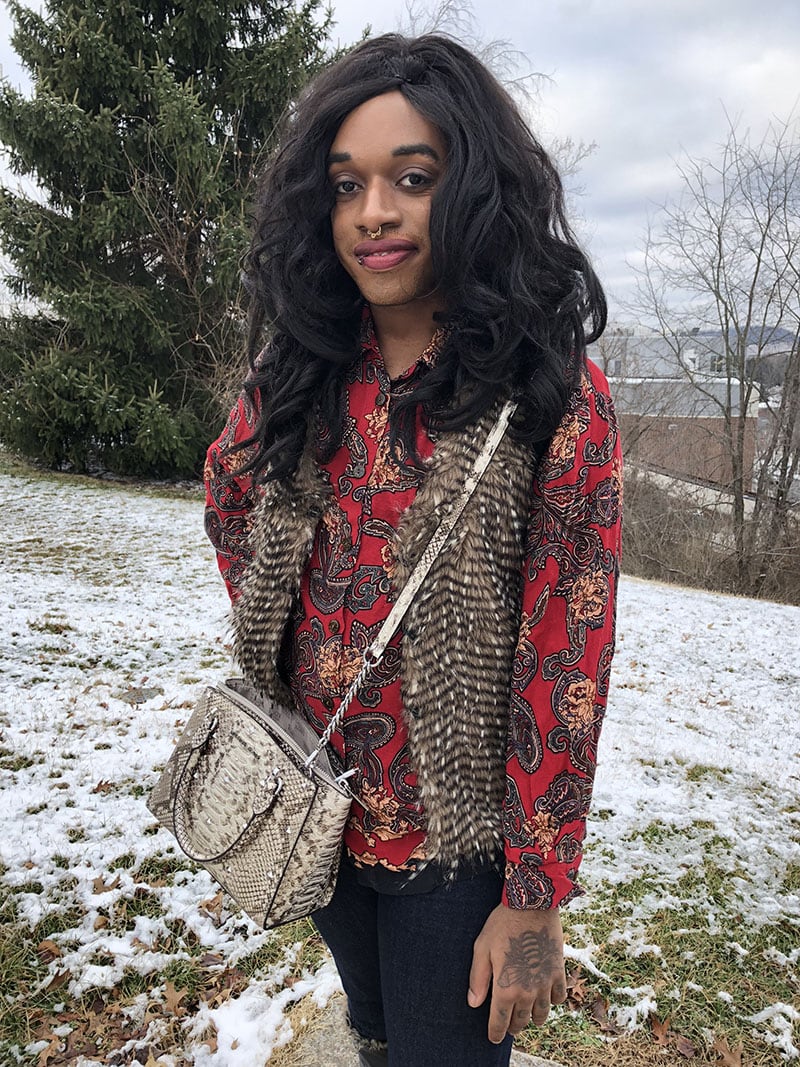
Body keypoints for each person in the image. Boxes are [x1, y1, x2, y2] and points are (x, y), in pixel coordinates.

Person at [204, 33, 622, 1067]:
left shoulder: (547, 394)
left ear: (473, 186)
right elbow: (227, 492)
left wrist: (532, 894)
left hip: (456, 849)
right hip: (317, 813)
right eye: (346, 185)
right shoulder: (303, 364)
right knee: (381, 1031)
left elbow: (565, 655)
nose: (372, 213)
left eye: (411, 179)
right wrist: (289, 651)